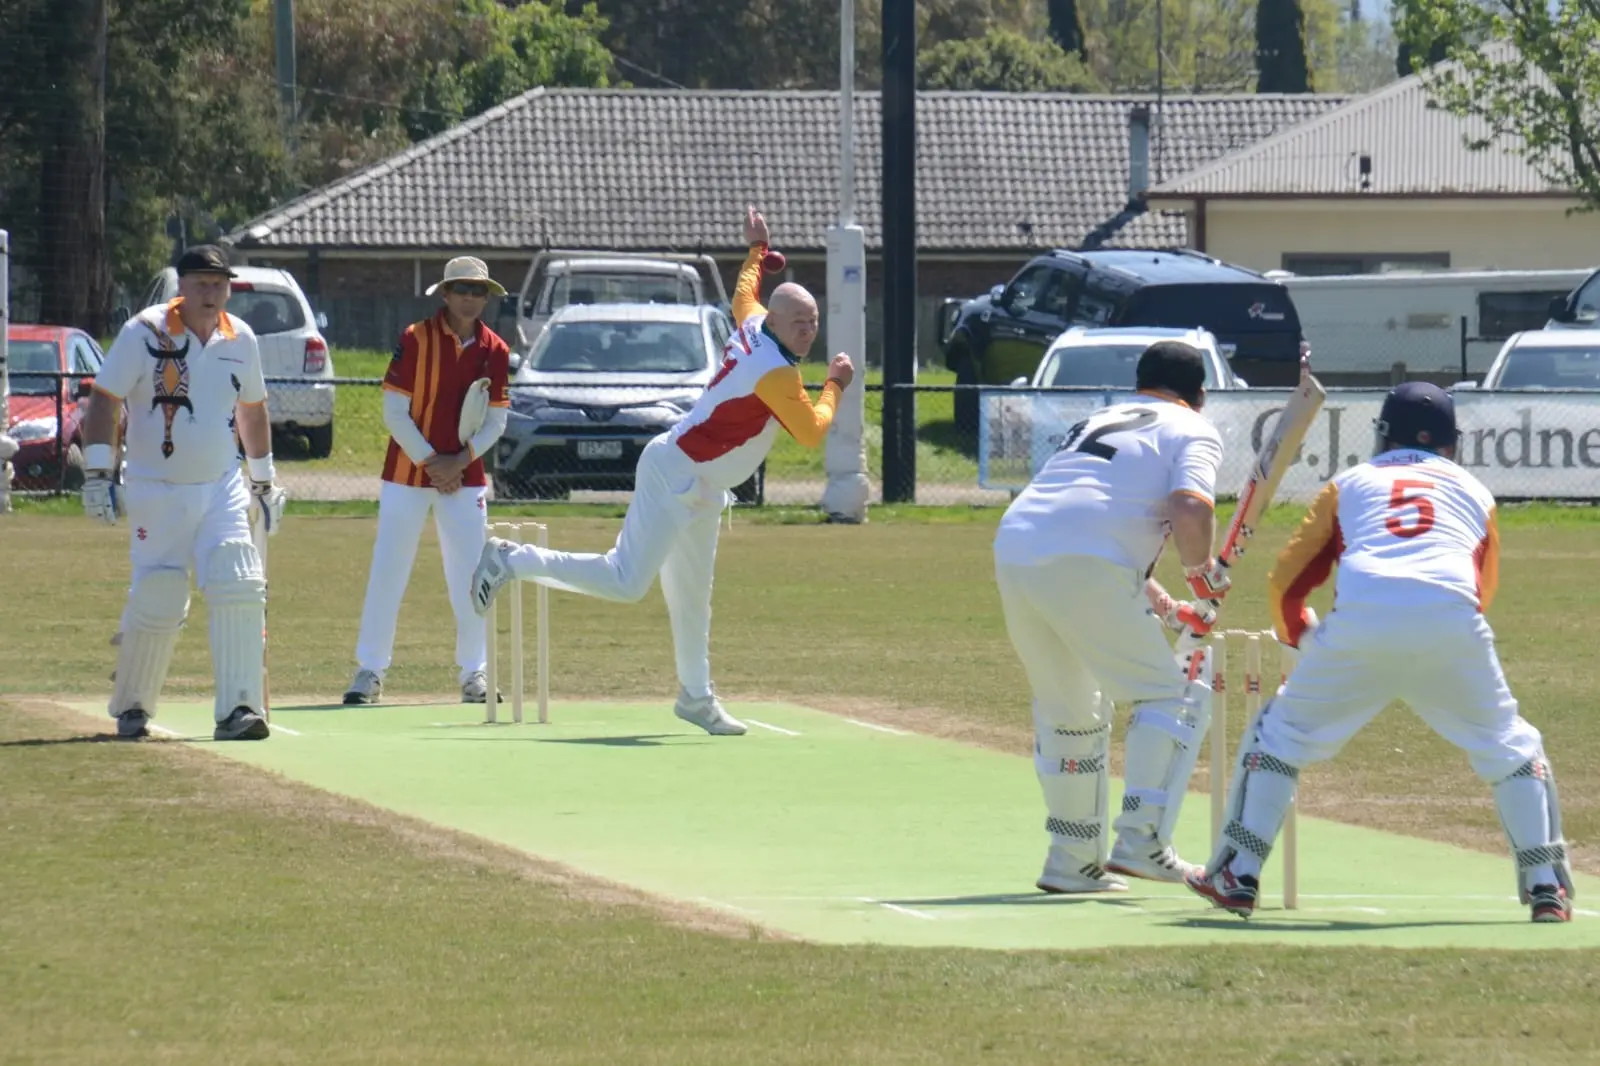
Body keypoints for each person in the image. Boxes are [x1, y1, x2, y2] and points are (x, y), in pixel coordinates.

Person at [1186, 382, 1574, 923]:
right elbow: (1481, 588)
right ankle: (1545, 886)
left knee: (1279, 736)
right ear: (1447, 442)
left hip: (1362, 625)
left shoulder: (1350, 483)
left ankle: (1237, 872)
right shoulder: (1476, 492)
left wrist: (1303, 639)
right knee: (1512, 749)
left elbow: (1286, 581)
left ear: (1386, 436)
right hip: (1452, 623)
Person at [468, 207, 855, 735]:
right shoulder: (777, 373)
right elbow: (811, 432)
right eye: (800, 324)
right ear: (779, 322)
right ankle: (512, 559)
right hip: (674, 470)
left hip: (700, 483)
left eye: (814, 323)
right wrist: (835, 384)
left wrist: (757, 252)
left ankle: (696, 697)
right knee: (626, 581)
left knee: (693, 598)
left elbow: (744, 291)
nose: (809, 332)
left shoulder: (753, 321)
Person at [992, 341, 1232, 893]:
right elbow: (1191, 506)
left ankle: (1071, 860)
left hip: (1018, 546)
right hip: (1084, 561)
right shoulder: (1193, 428)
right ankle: (1142, 839)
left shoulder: (1099, 418)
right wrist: (1203, 572)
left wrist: (1162, 597)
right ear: (1199, 395)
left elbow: (1082, 511)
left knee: (1071, 711)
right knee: (1172, 694)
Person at [82, 244, 287, 741]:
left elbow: (252, 411)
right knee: (161, 593)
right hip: (157, 488)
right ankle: (132, 703)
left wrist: (263, 479)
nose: (211, 293)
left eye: (219, 284)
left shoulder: (241, 338)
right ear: (182, 285)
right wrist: (96, 472)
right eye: (201, 284)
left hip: (221, 486)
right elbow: (105, 400)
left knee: (238, 578)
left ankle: (239, 710)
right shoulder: (144, 332)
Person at [343, 257, 512, 705]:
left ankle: (475, 673)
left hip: (466, 477)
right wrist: (434, 462)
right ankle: (369, 672)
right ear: (445, 293)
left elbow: (496, 422)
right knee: (389, 570)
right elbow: (393, 412)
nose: (470, 299)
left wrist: (458, 462)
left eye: (478, 292)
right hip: (407, 474)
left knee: (472, 576)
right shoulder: (414, 339)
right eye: (462, 289)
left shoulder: (496, 349)